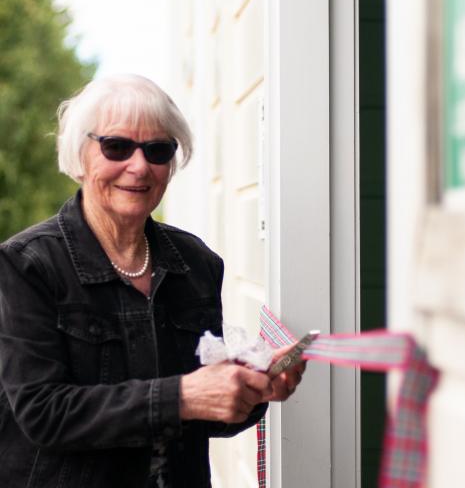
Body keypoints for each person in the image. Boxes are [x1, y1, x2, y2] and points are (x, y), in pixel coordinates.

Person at [0, 74, 304, 488]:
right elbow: (42, 412)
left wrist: (250, 389)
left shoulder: (195, 264)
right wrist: (183, 396)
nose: (139, 166)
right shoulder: (27, 265)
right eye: (117, 146)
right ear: (81, 155)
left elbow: (200, 416)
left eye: (158, 150)